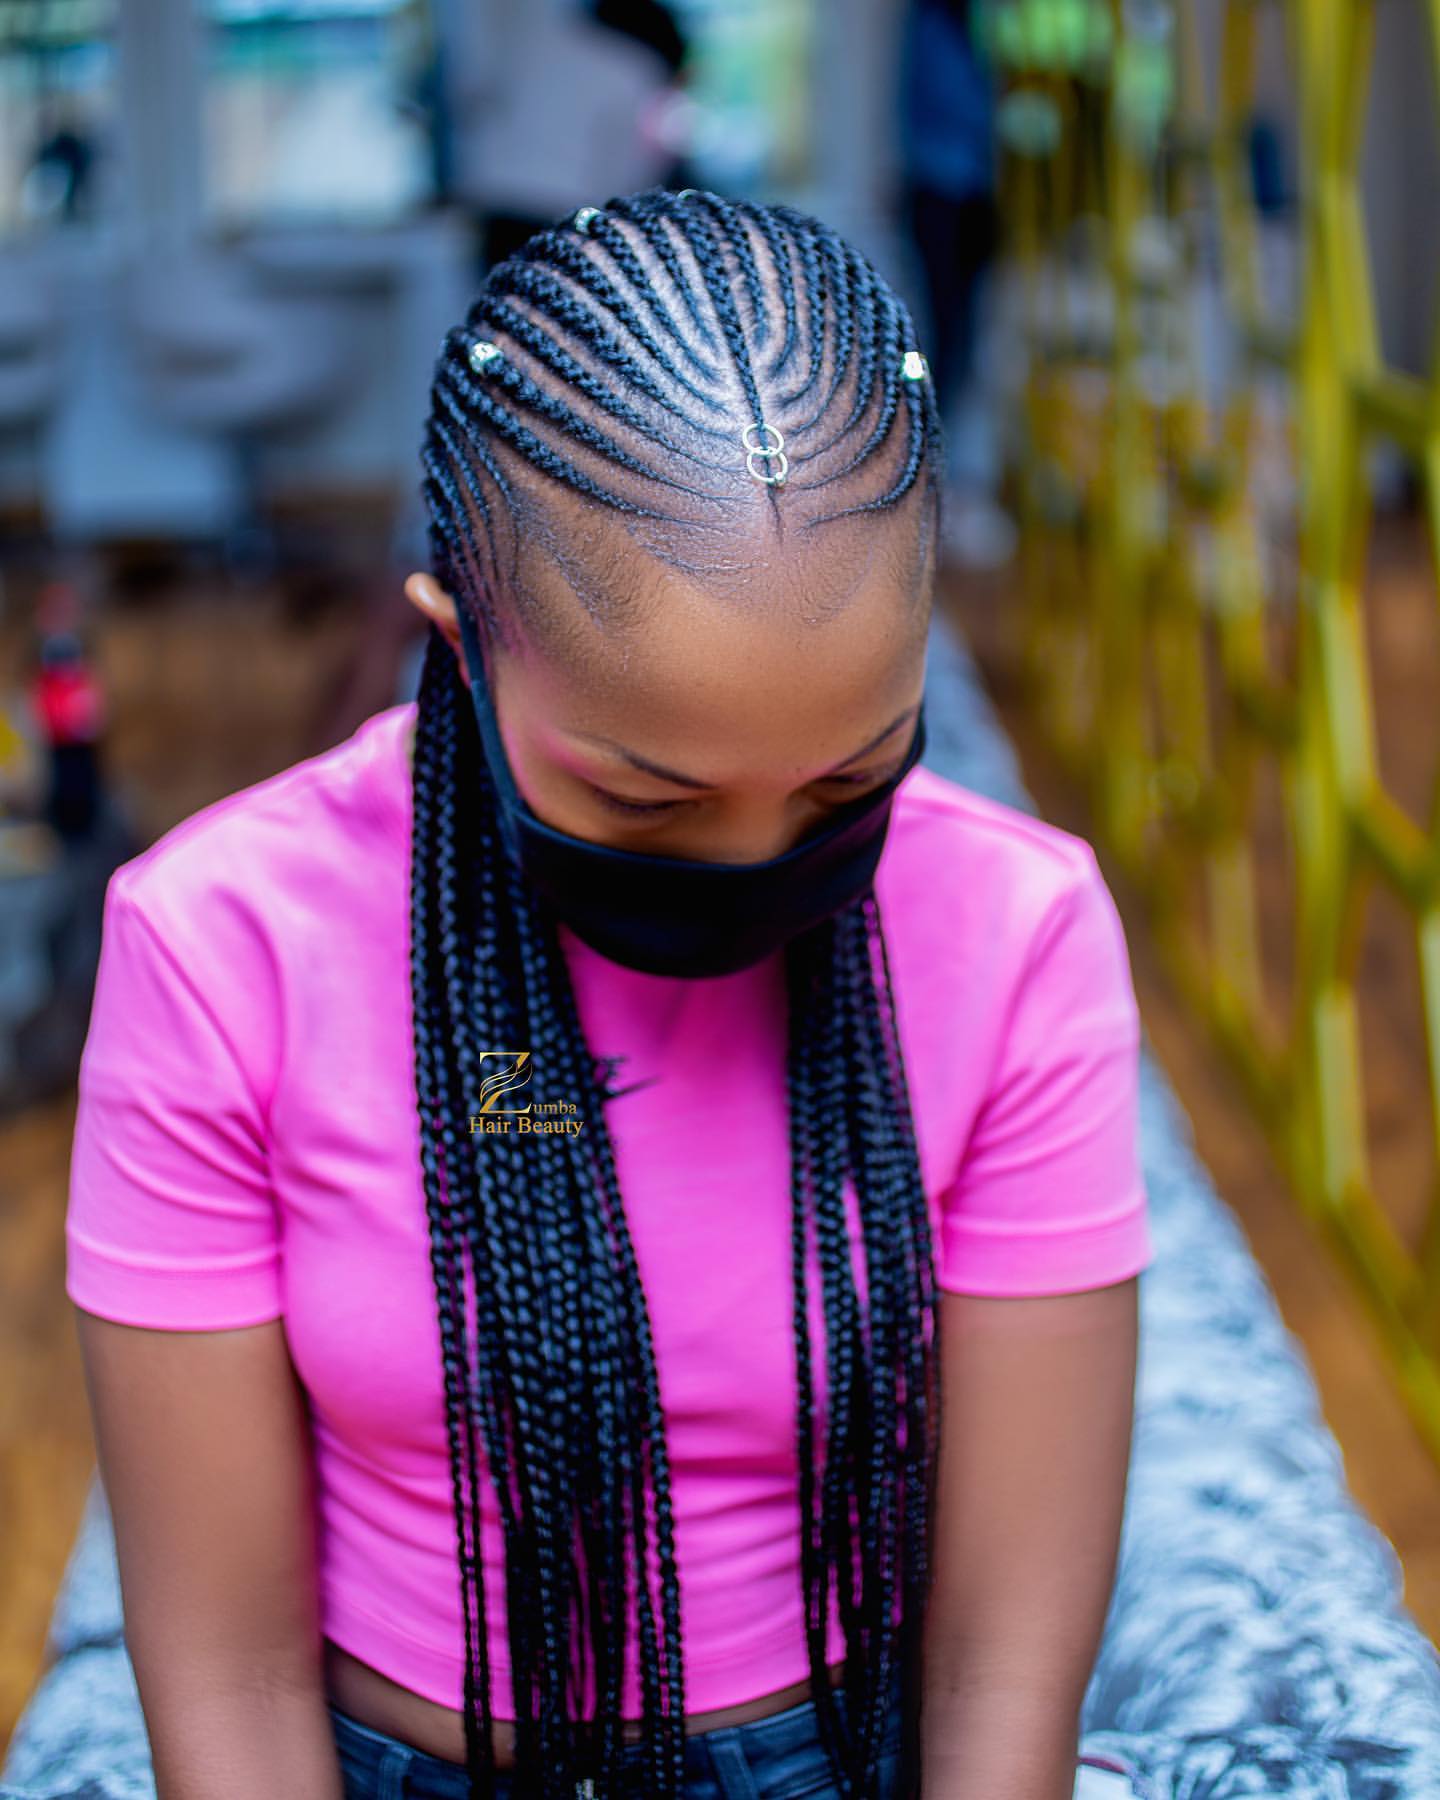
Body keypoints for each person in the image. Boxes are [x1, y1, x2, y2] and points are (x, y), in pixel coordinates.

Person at [66, 189, 1153, 1800]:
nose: (758, 858)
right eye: (647, 799)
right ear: (459, 641)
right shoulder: (222, 945)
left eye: (849, 776)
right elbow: (228, 1672)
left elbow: (1005, 1665)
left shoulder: (1015, 932)